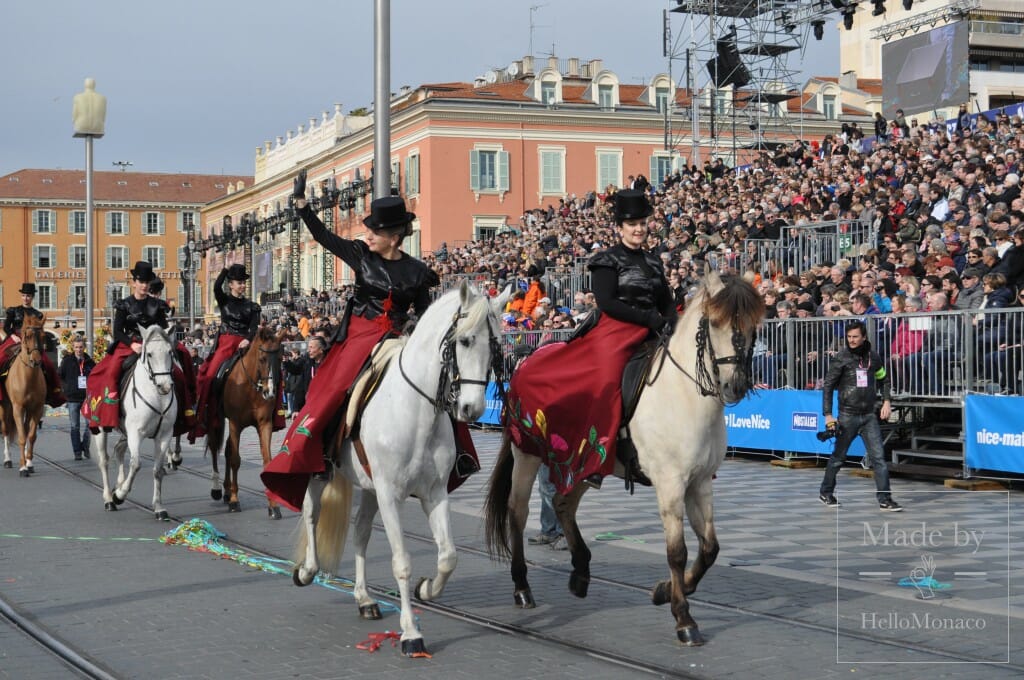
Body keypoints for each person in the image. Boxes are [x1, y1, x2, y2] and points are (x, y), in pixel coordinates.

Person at [262, 170, 456, 513]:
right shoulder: (360, 255)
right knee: (334, 387)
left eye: (374, 231)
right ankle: (313, 449)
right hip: (359, 335)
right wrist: (303, 206)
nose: (367, 235)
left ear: (394, 237)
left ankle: (455, 456)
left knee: (434, 389)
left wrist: (419, 340)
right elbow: (324, 237)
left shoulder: (416, 272)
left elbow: (425, 316)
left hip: (396, 337)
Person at [504, 190, 673, 494]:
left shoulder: (654, 263)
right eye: (631, 223)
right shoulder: (606, 261)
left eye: (642, 223)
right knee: (607, 381)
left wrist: (671, 322)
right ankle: (596, 456)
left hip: (653, 332)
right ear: (619, 228)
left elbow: (667, 301)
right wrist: (647, 318)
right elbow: (607, 303)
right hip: (616, 331)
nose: (638, 228)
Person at [81, 261, 191, 434]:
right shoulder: (124, 305)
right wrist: (132, 344)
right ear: (133, 283)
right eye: (141, 282)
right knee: (108, 374)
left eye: (147, 282)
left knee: (178, 374)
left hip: (153, 346)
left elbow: (162, 327)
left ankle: (186, 413)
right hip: (129, 344)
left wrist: (164, 342)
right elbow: (117, 331)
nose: (144, 286)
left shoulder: (158, 305)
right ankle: (107, 416)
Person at [189, 264, 280, 443]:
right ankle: (209, 411)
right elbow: (216, 287)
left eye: (244, 283)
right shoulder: (224, 300)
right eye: (239, 282)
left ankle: (276, 411)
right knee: (211, 374)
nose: (242, 286)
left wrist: (247, 338)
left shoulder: (252, 306)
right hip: (226, 342)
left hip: (246, 342)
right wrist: (223, 271)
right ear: (230, 284)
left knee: (271, 365)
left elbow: (254, 327)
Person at [818, 320, 902, 512]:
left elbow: (884, 379)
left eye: (855, 337)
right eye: (849, 337)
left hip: (869, 415)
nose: (852, 340)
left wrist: (887, 401)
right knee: (838, 457)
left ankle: (885, 499)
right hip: (847, 416)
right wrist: (828, 415)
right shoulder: (842, 358)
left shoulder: (874, 357)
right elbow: (828, 387)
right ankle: (826, 491)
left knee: (879, 458)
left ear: (864, 337)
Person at [0, 283, 65, 407]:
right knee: (0, 358)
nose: (25, 298)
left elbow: (39, 331)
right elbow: (7, 326)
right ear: (21, 296)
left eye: (28, 296)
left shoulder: (37, 314)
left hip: (31, 341)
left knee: (48, 364)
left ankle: (54, 393)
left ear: (32, 297)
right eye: (24, 295)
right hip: (15, 339)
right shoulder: (13, 310)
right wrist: (12, 335)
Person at [58, 336, 95, 460]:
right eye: (76, 347)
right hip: (73, 398)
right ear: (73, 348)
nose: (79, 349)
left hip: (87, 398)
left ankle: (85, 446)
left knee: (90, 425)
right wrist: (66, 388)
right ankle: (77, 452)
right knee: (74, 426)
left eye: (81, 347)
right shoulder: (67, 361)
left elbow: (96, 377)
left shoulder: (90, 361)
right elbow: (60, 375)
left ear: (84, 347)